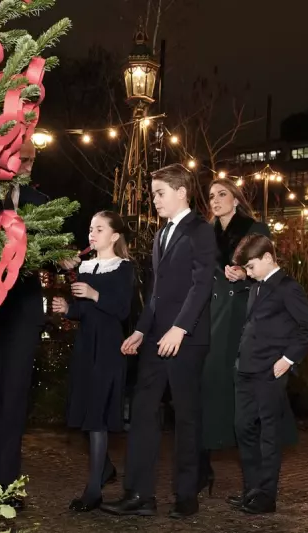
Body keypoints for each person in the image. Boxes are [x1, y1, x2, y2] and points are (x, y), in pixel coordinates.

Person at [101, 164, 216, 519]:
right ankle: (139, 495)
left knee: (186, 417)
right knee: (143, 412)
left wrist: (180, 328)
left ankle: (186, 495)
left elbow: (202, 285)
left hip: (187, 339)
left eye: (159, 193)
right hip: (155, 339)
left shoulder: (201, 231)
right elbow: (156, 293)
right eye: (153, 194)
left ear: (182, 192)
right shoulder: (160, 235)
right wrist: (139, 330)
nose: (154, 200)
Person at [0, 139, 49, 510]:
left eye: (34, 160)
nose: (30, 165)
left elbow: (54, 247)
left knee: (15, 395)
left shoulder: (41, 202)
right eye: (25, 159)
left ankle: (6, 485)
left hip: (23, 309)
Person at [52, 211, 135, 513]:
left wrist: (93, 293)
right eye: (90, 229)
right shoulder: (85, 266)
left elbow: (122, 310)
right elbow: (86, 311)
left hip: (109, 348)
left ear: (114, 236)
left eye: (99, 229)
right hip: (86, 346)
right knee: (88, 411)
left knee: (97, 415)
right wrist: (68, 309)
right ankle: (106, 467)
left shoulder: (124, 268)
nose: (92, 234)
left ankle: (93, 490)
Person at [230, 234, 308, 514]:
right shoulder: (256, 287)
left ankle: (266, 497)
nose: (249, 272)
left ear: (268, 258)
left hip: (270, 371)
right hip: (245, 369)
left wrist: (288, 359)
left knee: (269, 434)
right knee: (243, 428)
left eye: (252, 266)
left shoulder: (287, 287)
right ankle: (252, 490)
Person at [197, 179, 271, 496]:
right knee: (205, 390)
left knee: (242, 399)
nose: (215, 200)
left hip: (242, 316)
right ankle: (201, 470)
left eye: (222, 194)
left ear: (236, 200)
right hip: (209, 318)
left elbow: (270, 272)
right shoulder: (203, 235)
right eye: (211, 195)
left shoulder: (256, 229)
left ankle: (254, 483)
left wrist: (243, 273)